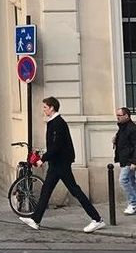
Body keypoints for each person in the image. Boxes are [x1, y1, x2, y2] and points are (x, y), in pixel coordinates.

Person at [20, 96, 104, 233]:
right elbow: (54, 145)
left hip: (61, 163)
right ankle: (35, 220)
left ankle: (97, 219)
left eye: (45, 107)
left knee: (74, 190)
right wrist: (45, 157)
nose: (44, 110)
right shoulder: (54, 122)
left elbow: (57, 146)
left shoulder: (58, 123)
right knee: (46, 190)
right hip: (57, 163)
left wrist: (43, 158)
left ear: (52, 108)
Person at [113, 106, 136, 214]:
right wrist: (115, 140)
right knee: (131, 181)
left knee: (123, 180)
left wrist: (134, 162)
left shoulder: (132, 128)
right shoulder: (122, 127)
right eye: (117, 115)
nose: (117, 117)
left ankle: (133, 203)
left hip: (129, 159)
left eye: (119, 115)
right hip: (124, 158)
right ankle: (134, 203)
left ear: (126, 116)